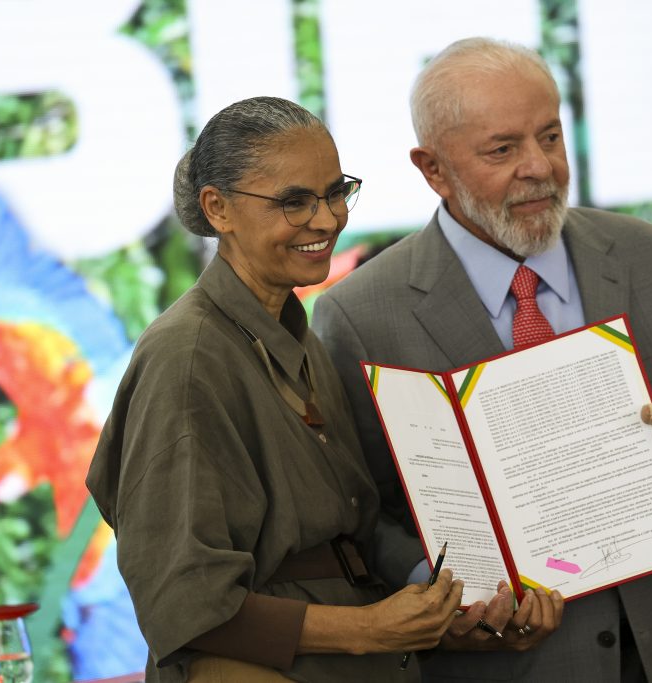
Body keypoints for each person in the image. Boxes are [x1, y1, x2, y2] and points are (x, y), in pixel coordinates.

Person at [312, 38, 652, 682]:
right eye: (503, 149)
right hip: (512, 666)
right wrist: (447, 594)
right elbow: (363, 514)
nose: (539, 166)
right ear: (432, 168)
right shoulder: (360, 315)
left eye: (550, 137)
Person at [85, 96, 466, 683]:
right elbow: (184, 603)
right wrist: (367, 630)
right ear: (218, 209)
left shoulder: (298, 339)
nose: (328, 218)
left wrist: (439, 602)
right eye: (294, 202)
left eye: (335, 191)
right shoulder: (186, 357)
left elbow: (356, 533)